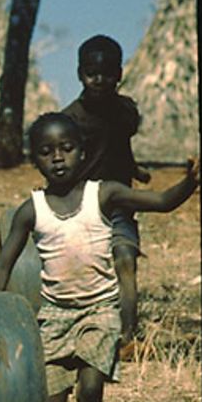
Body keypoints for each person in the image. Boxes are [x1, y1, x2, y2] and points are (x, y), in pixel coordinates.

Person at [0, 112, 197, 402]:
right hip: (54, 314)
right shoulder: (31, 210)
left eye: (66, 149)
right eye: (46, 151)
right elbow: (3, 264)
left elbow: (163, 201)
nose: (57, 158)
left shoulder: (104, 193)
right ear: (34, 159)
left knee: (90, 388)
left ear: (82, 152)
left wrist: (191, 182)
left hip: (100, 311)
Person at [62, 35, 151, 356]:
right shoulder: (69, 120)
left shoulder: (125, 111)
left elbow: (118, 147)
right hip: (82, 208)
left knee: (125, 259)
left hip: (119, 204)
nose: (99, 79)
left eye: (106, 73)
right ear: (80, 74)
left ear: (119, 74)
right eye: (91, 73)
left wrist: (135, 171)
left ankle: (128, 337)